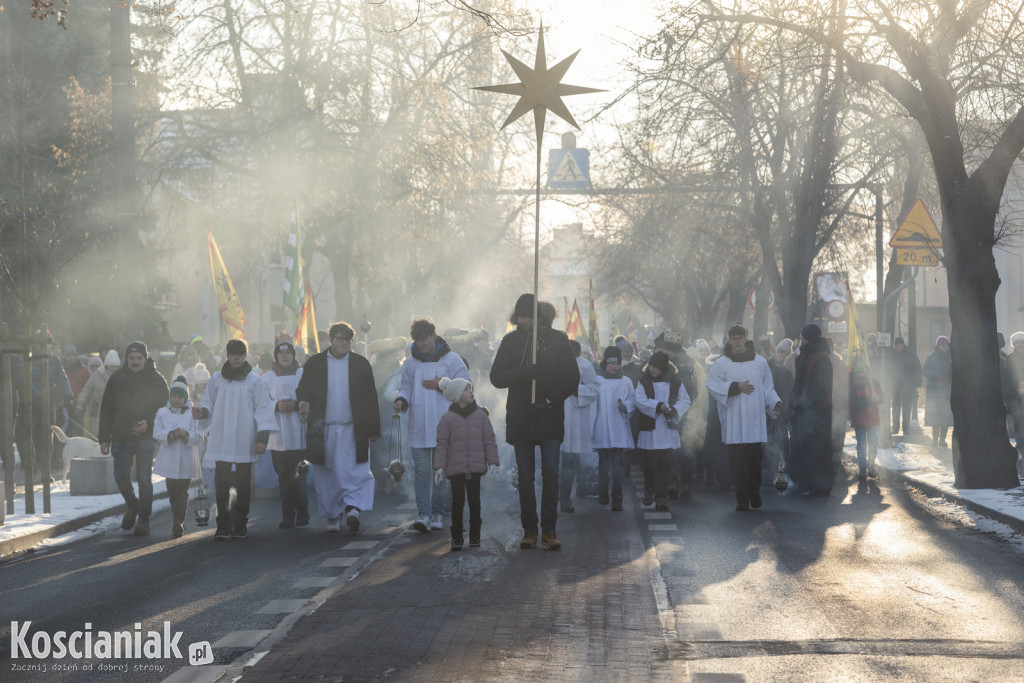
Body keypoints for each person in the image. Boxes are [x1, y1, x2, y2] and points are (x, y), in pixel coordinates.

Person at [490, 294, 579, 551]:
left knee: (550, 473)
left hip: (549, 417)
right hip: (521, 416)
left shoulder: (557, 339)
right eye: (520, 316)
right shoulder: (510, 341)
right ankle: (529, 529)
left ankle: (549, 529)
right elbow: (496, 377)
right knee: (525, 477)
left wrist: (550, 401)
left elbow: (571, 377)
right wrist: (523, 373)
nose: (523, 320)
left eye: (528, 316)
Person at [297, 322, 382, 533]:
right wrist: (303, 401)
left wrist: (374, 429)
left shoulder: (361, 364)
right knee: (327, 475)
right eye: (340, 339)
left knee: (356, 471)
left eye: (347, 340)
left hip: (354, 430)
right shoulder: (315, 363)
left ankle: (353, 509)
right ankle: (333, 516)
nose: (343, 343)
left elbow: (371, 397)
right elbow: (303, 389)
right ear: (330, 339)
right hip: (323, 429)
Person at [193, 338, 278, 540]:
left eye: (241, 354)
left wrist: (262, 439)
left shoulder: (254, 381)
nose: (237, 358)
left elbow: (263, 410)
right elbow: (209, 403)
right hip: (222, 438)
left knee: (243, 483)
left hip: (244, 438)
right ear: (228, 356)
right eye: (233, 354)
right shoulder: (216, 379)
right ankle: (222, 524)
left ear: (245, 355)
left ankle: (240, 523)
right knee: (221, 482)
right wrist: (203, 413)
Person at [393, 319, 470, 534]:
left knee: (440, 472)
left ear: (434, 336)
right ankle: (423, 514)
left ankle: (437, 512)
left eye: (424, 341)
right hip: (418, 424)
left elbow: (466, 385)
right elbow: (406, 386)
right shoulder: (410, 362)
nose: (421, 345)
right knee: (421, 472)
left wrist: (441, 384)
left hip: (444, 422)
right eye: (417, 342)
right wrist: (401, 400)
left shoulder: (451, 359)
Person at [706, 326, 781, 511]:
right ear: (729, 340)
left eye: (741, 337)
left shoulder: (759, 362)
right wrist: (735, 387)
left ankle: (754, 492)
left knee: (754, 460)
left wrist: (774, 402)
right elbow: (712, 385)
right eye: (734, 338)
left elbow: (767, 387)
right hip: (733, 418)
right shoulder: (722, 363)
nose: (738, 341)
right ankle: (741, 497)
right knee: (736, 461)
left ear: (746, 339)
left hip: (755, 418)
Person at [98, 341, 169, 536]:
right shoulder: (117, 379)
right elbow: (107, 409)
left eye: (139, 358)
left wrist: (149, 423)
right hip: (121, 435)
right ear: (126, 359)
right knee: (120, 476)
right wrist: (103, 438)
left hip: (146, 436)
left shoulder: (156, 379)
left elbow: (165, 410)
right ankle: (133, 505)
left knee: (144, 478)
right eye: (132, 358)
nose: (135, 362)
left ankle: (144, 520)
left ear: (145, 359)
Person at [434, 377, 499, 550]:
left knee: (475, 502)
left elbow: (489, 441)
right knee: (457, 502)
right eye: (466, 389)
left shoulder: (481, 417)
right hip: (455, 468)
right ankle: (456, 536)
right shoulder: (447, 419)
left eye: (470, 388)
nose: (471, 392)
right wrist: (439, 466)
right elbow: (442, 444)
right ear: (456, 395)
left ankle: (475, 534)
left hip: (475, 468)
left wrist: (493, 462)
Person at [262, 340, 309, 529]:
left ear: (293, 355)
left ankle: (303, 512)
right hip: (278, 435)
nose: (284, 356)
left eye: (288, 353)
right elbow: (261, 403)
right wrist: (276, 405)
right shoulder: (267, 379)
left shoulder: (303, 375)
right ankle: (287, 514)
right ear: (276, 357)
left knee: (299, 475)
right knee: (283, 476)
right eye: (281, 354)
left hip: (299, 432)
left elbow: (312, 397)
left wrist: (297, 405)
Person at [635, 351, 691, 511]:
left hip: (667, 429)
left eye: (657, 367)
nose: (652, 369)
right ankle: (649, 490)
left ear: (664, 368)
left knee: (665, 465)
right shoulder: (644, 381)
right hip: (650, 430)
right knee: (650, 465)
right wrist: (658, 406)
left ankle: (661, 497)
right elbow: (640, 400)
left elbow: (684, 400)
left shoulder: (675, 381)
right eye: (651, 366)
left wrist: (673, 410)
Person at [153, 376, 202, 537]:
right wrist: (171, 434)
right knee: (172, 490)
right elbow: (157, 432)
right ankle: (177, 517)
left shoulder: (192, 413)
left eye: (180, 397)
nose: (176, 400)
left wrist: (186, 434)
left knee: (182, 490)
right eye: (174, 396)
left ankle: (178, 521)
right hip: (169, 458)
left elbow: (199, 435)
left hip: (186, 459)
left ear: (185, 397)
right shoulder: (162, 412)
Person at [788, 324, 833, 496]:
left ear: (808, 337)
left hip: (817, 411)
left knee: (816, 449)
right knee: (801, 446)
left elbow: (821, 387)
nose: (801, 339)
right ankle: (803, 482)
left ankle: (818, 485)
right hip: (804, 410)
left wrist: (808, 404)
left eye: (802, 336)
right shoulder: (807, 354)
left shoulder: (820, 357)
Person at [591, 345, 635, 511]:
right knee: (603, 465)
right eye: (611, 363)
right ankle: (603, 493)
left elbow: (633, 399)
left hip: (619, 428)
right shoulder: (598, 380)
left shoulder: (626, 381)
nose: (614, 366)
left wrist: (626, 407)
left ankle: (617, 499)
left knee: (618, 467)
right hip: (602, 428)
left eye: (617, 363)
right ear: (605, 363)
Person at [560, 339, 600, 514]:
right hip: (557, 417)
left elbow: (595, 388)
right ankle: (561, 496)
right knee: (558, 461)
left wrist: (578, 391)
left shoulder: (584, 365)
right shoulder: (554, 364)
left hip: (576, 418)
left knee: (572, 459)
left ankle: (568, 497)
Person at [755, 338, 793, 488]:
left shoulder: (776, 370)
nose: (757, 356)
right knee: (768, 445)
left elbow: (786, 393)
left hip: (776, 415)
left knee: (777, 444)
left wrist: (783, 412)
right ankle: (768, 475)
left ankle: (779, 476)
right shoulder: (761, 369)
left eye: (760, 353)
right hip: (766, 415)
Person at [76, 350, 119, 440]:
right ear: (107, 365)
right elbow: (86, 389)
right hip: (97, 409)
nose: (113, 368)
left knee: (114, 435)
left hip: (115, 410)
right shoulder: (96, 375)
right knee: (96, 435)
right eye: (112, 366)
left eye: (115, 366)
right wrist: (80, 404)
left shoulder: (121, 376)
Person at [849, 366, 882, 479]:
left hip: (872, 419)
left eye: (863, 371)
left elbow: (882, 398)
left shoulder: (874, 382)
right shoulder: (853, 385)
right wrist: (869, 400)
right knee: (863, 444)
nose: (861, 374)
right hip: (860, 419)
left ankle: (871, 465)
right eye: (859, 372)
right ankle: (863, 468)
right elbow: (854, 403)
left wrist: (878, 398)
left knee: (872, 443)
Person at [923, 335, 953, 448]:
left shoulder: (952, 357)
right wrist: (938, 376)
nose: (944, 347)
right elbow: (925, 371)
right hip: (934, 392)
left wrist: (949, 377)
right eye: (942, 345)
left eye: (946, 345)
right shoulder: (931, 357)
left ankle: (942, 440)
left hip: (947, 392)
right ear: (938, 346)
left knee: (945, 418)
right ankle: (934, 440)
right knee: (935, 418)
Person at [889, 336, 922, 436]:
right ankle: (895, 428)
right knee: (895, 406)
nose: (899, 347)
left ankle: (906, 429)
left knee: (907, 407)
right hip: (896, 384)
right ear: (895, 346)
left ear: (903, 345)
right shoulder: (892, 354)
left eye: (900, 345)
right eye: (897, 345)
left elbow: (917, 368)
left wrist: (917, 383)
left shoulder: (910, 354)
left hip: (908, 384)